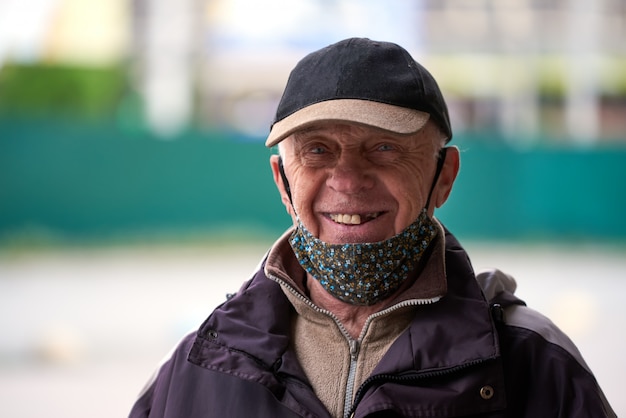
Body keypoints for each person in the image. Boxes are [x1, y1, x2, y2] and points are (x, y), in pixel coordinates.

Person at [129, 38, 616, 417]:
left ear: (442, 177)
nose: (346, 179)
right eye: (317, 150)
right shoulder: (203, 362)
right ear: (283, 181)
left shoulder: (534, 364)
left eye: (384, 148)